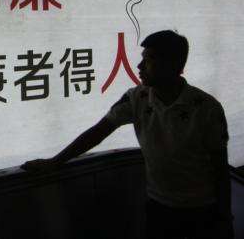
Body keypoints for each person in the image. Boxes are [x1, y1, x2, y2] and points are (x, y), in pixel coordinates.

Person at [21, 30, 234, 239]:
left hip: (201, 210)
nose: (140, 66)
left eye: (149, 59)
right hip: (158, 205)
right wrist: (55, 162)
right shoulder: (137, 98)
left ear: (174, 65)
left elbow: (220, 167)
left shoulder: (206, 108)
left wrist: (224, 217)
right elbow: (98, 132)